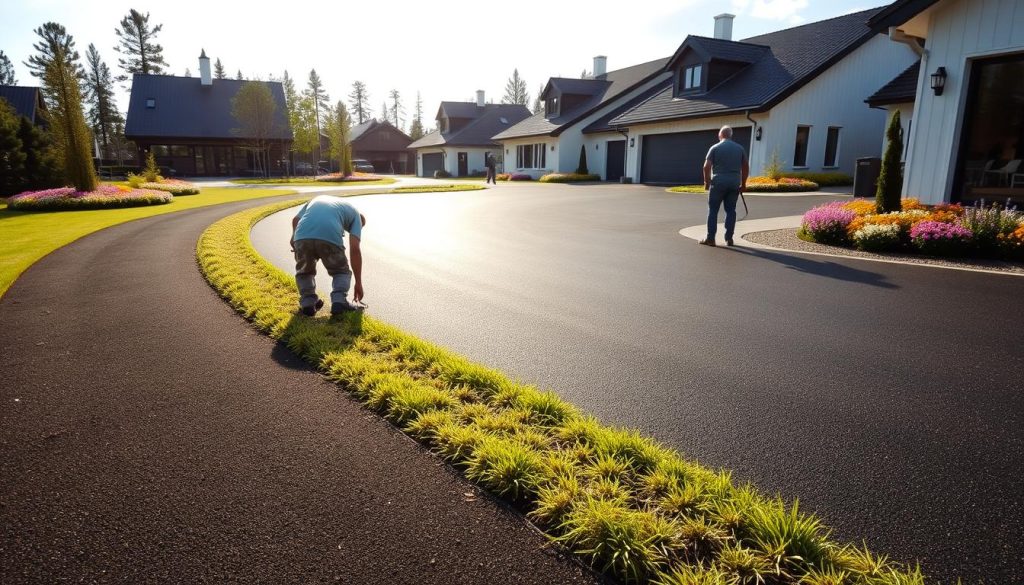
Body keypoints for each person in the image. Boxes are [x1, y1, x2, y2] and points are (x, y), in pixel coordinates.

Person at [289, 195, 365, 316]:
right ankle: (339, 300)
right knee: (341, 271)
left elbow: (295, 220)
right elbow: (355, 249)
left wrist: (294, 238)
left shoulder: (318, 199)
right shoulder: (356, 216)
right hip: (330, 235)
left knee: (304, 271)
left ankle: (308, 302)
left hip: (302, 235)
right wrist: (358, 282)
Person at [700, 125, 749, 247]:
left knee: (713, 210)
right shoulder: (740, 148)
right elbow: (745, 167)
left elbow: (706, 166)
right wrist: (743, 184)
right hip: (734, 183)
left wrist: (707, 182)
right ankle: (729, 238)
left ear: (720, 135)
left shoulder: (715, 148)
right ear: (731, 135)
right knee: (731, 210)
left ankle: (710, 239)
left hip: (718, 182)